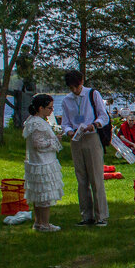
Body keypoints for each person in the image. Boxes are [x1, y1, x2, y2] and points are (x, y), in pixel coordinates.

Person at [60, 69, 110, 227]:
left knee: (96, 177)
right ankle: (86, 216)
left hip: (91, 137)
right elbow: (65, 122)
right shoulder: (67, 100)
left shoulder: (92, 94)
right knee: (81, 179)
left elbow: (104, 116)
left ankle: (101, 216)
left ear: (81, 82)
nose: (75, 90)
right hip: (76, 139)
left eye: (76, 87)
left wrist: (94, 124)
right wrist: (69, 131)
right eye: (71, 88)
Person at [23, 94, 64, 232]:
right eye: (49, 108)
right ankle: (44, 223)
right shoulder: (36, 123)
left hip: (39, 162)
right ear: (41, 108)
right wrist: (54, 140)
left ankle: (39, 222)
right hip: (42, 163)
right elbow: (38, 143)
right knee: (44, 194)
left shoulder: (34, 121)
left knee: (38, 195)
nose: (52, 110)